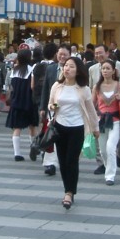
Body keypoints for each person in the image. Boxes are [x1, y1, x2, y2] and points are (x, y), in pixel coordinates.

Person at [46, 56, 99, 210]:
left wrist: (95, 129)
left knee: (72, 160)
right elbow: (50, 103)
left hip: (77, 128)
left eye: (71, 66)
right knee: (62, 162)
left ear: (78, 71)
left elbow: (91, 110)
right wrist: (52, 107)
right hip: (59, 127)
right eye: (66, 66)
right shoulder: (57, 86)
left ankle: (69, 193)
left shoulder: (84, 89)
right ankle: (67, 189)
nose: (67, 69)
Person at [92, 59, 120, 185]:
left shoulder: (119, 85)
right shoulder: (97, 87)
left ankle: (110, 176)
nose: (105, 71)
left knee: (110, 147)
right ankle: (108, 166)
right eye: (103, 68)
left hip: (115, 121)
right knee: (102, 150)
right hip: (101, 121)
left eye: (108, 68)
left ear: (114, 70)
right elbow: (92, 104)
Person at [38, 43, 69, 176]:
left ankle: (64, 159)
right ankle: (50, 164)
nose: (62, 57)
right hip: (52, 106)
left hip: (68, 107)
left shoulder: (74, 69)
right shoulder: (50, 69)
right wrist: (42, 107)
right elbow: (45, 89)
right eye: (60, 54)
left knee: (63, 136)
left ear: (69, 56)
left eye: (65, 55)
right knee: (51, 133)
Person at [6, 47, 37, 161]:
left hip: (16, 101)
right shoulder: (31, 69)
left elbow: (11, 86)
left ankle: (17, 153)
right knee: (32, 127)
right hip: (28, 101)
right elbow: (32, 86)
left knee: (17, 128)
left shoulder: (14, 71)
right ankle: (33, 148)